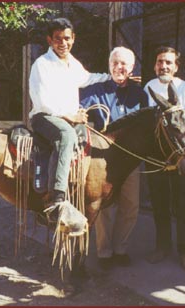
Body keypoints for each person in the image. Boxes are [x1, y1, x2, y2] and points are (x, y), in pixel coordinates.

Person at [29, 18, 109, 221]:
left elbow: (88, 78)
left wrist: (113, 78)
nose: (62, 43)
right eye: (57, 39)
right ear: (49, 40)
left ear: (73, 38)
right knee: (66, 136)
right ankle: (56, 199)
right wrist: (71, 116)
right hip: (45, 117)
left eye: (66, 38)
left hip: (66, 117)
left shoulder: (72, 63)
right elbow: (43, 100)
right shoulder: (42, 64)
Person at [80, 46, 148, 269]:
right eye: (115, 63)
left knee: (131, 204)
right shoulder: (95, 90)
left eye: (124, 64)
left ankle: (121, 249)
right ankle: (104, 252)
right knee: (105, 206)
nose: (120, 67)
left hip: (130, 159)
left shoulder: (140, 94)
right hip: (104, 159)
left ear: (132, 67)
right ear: (109, 65)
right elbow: (78, 109)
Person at [144, 46, 185, 271]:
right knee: (159, 204)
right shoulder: (148, 87)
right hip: (156, 156)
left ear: (176, 66)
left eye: (168, 62)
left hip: (182, 156)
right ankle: (162, 247)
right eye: (160, 62)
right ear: (154, 65)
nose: (164, 66)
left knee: (182, 205)